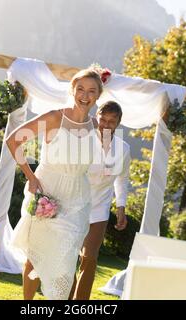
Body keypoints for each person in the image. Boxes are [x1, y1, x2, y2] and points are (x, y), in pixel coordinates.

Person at [6, 68, 103, 300]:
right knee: (36, 254)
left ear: (98, 95)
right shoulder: (54, 117)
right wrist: (30, 176)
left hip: (78, 200)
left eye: (91, 91)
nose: (85, 95)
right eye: (80, 89)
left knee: (67, 258)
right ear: (72, 89)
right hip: (47, 192)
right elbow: (13, 140)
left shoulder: (96, 127)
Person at [70, 101, 131, 300]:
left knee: (89, 258)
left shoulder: (123, 148)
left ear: (118, 123)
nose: (106, 124)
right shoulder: (83, 139)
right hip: (74, 206)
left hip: (99, 210)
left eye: (112, 121)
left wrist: (120, 207)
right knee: (69, 257)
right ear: (97, 116)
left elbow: (122, 178)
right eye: (103, 119)